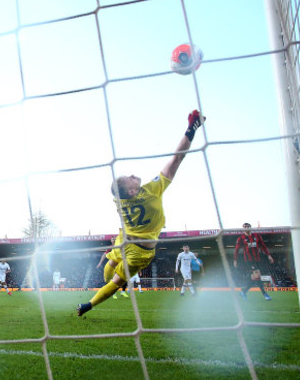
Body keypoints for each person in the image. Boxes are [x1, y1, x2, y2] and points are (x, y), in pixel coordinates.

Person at [78, 109, 205, 316]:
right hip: (140, 251)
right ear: (131, 190)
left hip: (124, 239)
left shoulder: (118, 200)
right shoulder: (151, 192)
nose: (133, 174)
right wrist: (192, 128)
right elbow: (176, 160)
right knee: (117, 280)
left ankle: (92, 299)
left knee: (111, 263)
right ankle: (91, 304)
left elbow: (117, 189)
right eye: (130, 178)